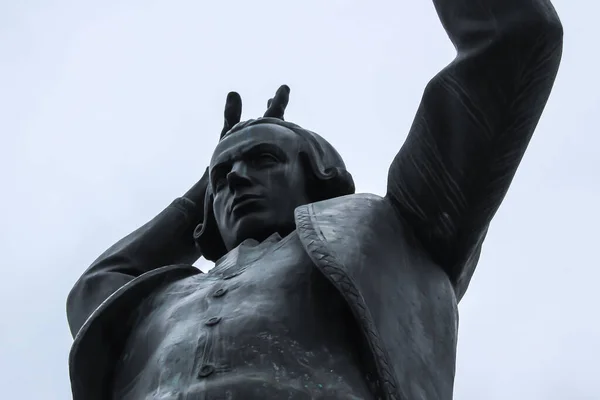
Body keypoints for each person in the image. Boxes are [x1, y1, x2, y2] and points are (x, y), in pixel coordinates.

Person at [66, 0, 563, 399]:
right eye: (222, 177)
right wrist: (204, 185)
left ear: (320, 175)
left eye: (262, 160)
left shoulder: (390, 232)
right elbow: (95, 287)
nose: (235, 180)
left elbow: (514, 40)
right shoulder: (153, 302)